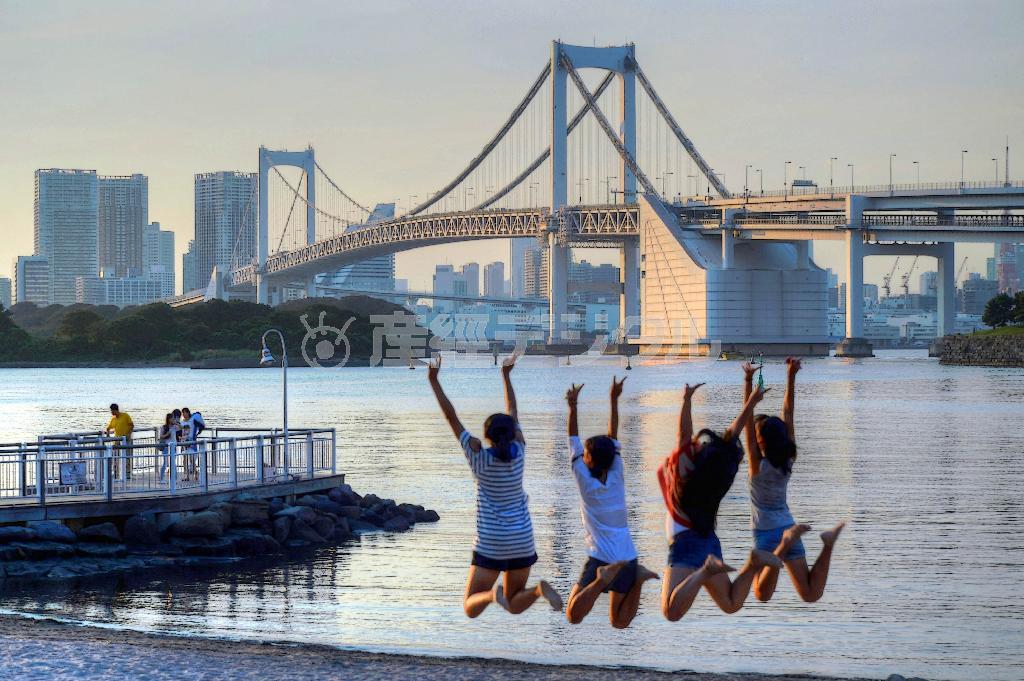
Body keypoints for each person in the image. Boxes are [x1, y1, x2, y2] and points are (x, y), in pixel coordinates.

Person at [427, 353, 563, 618]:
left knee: (470, 607)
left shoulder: (478, 458)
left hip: (491, 542)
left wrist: (433, 380)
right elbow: (513, 410)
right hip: (522, 539)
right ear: (513, 433)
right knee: (513, 604)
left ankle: (491, 594)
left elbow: (450, 416)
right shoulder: (520, 450)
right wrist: (506, 375)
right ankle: (537, 591)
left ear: (487, 436)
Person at [659, 378, 782, 622]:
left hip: (687, 542)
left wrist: (686, 400)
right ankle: (753, 563)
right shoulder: (719, 478)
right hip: (708, 542)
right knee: (730, 603)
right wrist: (751, 402)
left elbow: (684, 433)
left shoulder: (687, 473)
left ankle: (705, 571)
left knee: (671, 612)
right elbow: (732, 434)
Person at [744, 358, 846, 603]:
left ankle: (782, 547)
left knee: (761, 594)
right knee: (810, 594)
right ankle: (828, 544)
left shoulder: (757, 465)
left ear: (760, 443)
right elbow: (788, 413)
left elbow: (746, 421)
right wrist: (791, 375)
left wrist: (748, 382)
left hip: (767, 533)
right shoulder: (788, 462)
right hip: (787, 524)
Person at [565, 377, 658, 629]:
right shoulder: (616, 473)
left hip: (601, 557)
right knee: (619, 622)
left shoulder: (585, 482)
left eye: (585, 453)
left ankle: (599, 581)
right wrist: (614, 399)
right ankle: (638, 580)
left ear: (589, 459)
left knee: (573, 615)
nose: (582, 455)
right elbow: (612, 436)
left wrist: (573, 406)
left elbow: (573, 439)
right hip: (627, 556)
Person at [105, 403, 134, 479]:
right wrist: (107, 434)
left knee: (127, 457)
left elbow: (131, 425)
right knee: (115, 457)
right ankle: (115, 474)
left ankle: (127, 474)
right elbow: (108, 428)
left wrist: (128, 434)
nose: (111, 412)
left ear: (115, 410)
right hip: (117, 441)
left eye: (112, 411)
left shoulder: (125, 416)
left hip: (126, 440)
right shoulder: (113, 419)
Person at [158, 412, 179, 483]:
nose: (173, 419)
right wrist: (167, 434)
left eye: (174, 418)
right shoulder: (164, 427)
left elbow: (182, 427)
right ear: (169, 419)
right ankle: (161, 479)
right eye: (172, 418)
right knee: (165, 463)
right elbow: (161, 436)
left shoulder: (174, 427)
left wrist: (177, 423)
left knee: (173, 463)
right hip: (166, 447)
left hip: (173, 447)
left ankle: (174, 479)